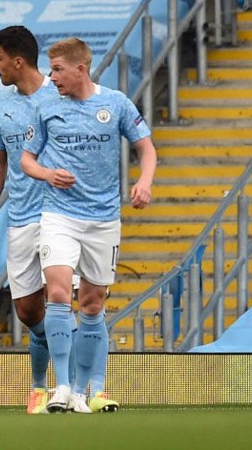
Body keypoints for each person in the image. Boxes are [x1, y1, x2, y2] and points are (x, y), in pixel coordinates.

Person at [21, 37, 156, 413]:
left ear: (80, 69)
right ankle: (61, 388)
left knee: (93, 304)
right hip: (59, 215)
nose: (52, 77)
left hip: (103, 218)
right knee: (60, 293)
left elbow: (146, 147)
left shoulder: (115, 104)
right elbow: (26, 160)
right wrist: (47, 174)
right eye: (51, 69)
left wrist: (144, 182)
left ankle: (86, 391)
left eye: (59, 70)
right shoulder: (46, 107)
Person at [0, 26, 60, 414]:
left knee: (59, 299)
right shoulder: (0, 104)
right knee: (28, 310)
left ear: (18, 60)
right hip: (21, 216)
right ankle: (64, 357)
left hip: (60, 214)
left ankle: (48, 387)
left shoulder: (61, 95)